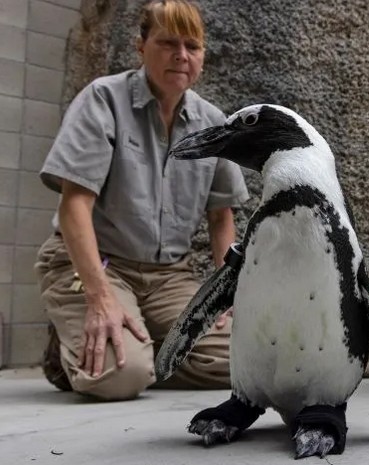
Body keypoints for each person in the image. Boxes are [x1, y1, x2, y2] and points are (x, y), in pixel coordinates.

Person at [35, 0, 249, 401]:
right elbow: (74, 206)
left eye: (192, 46)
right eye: (168, 42)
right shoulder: (103, 100)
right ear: (141, 46)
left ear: (203, 55)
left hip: (169, 278)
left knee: (245, 360)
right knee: (120, 377)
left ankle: (140, 342)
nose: (181, 56)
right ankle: (90, 344)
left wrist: (225, 293)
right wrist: (100, 297)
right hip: (98, 266)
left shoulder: (214, 124)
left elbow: (221, 218)